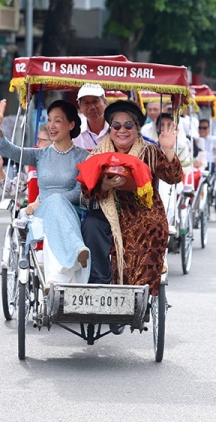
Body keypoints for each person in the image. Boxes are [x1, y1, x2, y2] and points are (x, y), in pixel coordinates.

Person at [80, 100, 182, 299]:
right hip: (109, 213)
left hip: (143, 213)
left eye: (128, 125)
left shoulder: (150, 152)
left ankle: (137, 296)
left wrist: (168, 149)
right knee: (91, 224)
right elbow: (86, 190)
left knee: (149, 229)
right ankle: (100, 284)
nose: (122, 130)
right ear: (110, 129)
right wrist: (104, 186)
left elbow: (173, 177)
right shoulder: (98, 153)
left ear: (137, 128)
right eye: (116, 125)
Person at [0, 99, 91, 285]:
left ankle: (54, 282)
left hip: (71, 212)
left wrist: (48, 201)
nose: (51, 126)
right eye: (49, 120)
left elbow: (80, 193)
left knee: (56, 207)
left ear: (71, 124)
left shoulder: (83, 157)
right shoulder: (40, 154)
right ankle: (76, 250)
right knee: (53, 207)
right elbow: (9, 150)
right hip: (40, 213)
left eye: (58, 120)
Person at [73, 83, 108, 150]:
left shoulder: (116, 128)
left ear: (105, 102)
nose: (92, 107)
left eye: (95, 102)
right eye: (86, 103)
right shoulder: (74, 131)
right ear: (80, 105)